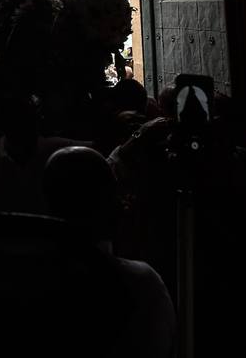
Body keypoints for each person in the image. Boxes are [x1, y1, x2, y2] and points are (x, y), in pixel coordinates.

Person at [44, 146, 177, 358]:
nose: (124, 203)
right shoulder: (142, 283)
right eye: (115, 194)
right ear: (109, 205)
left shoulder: (25, 280)